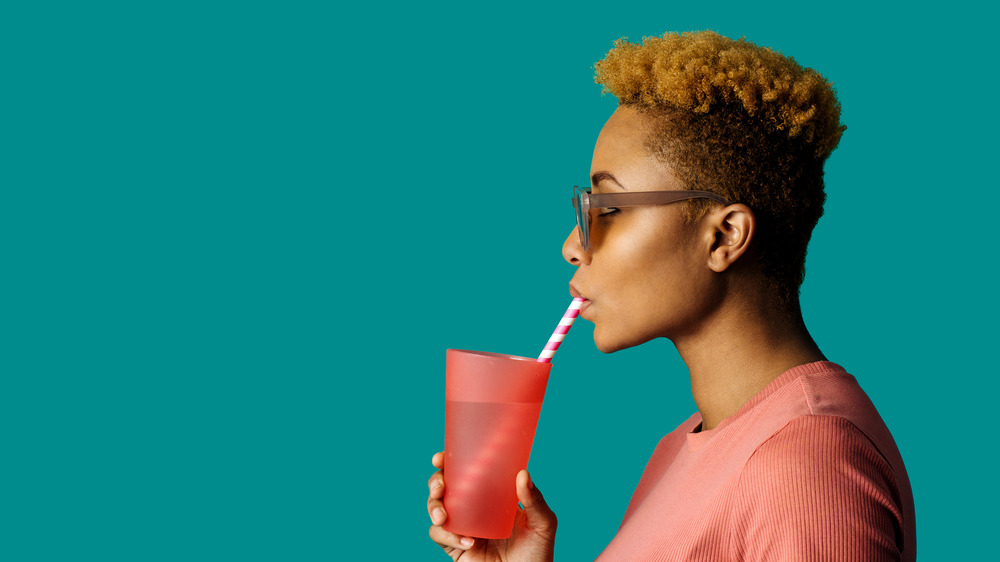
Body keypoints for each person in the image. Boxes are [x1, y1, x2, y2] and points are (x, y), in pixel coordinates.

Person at [426, 30, 915, 561]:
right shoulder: (682, 448)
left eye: (608, 209)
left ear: (724, 237)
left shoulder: (809, 462)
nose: (572, 246)